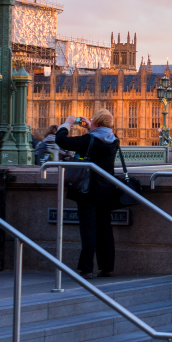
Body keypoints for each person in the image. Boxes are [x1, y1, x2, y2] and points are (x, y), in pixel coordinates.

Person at [56, 110, 120, 278]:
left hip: (88, 190)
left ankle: (87, 269)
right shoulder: (114, 140)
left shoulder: (88, 140)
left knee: (88, 229)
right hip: (107, 190)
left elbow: (60, 140)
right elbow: (98, 139)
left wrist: (67, 123)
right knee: (105, 228)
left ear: (97, 123)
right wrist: (91, 128)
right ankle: (107, 267)